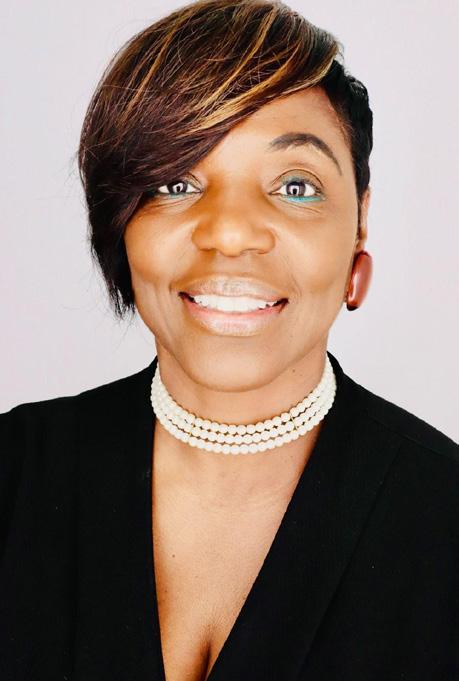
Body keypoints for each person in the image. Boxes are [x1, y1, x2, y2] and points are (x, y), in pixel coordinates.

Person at [1, 0, 458, 679]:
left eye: (295, 185)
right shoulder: (14, 475)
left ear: (359, 225)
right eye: (176, 181)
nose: (230, 232)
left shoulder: (445, 518)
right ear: (120, 218)